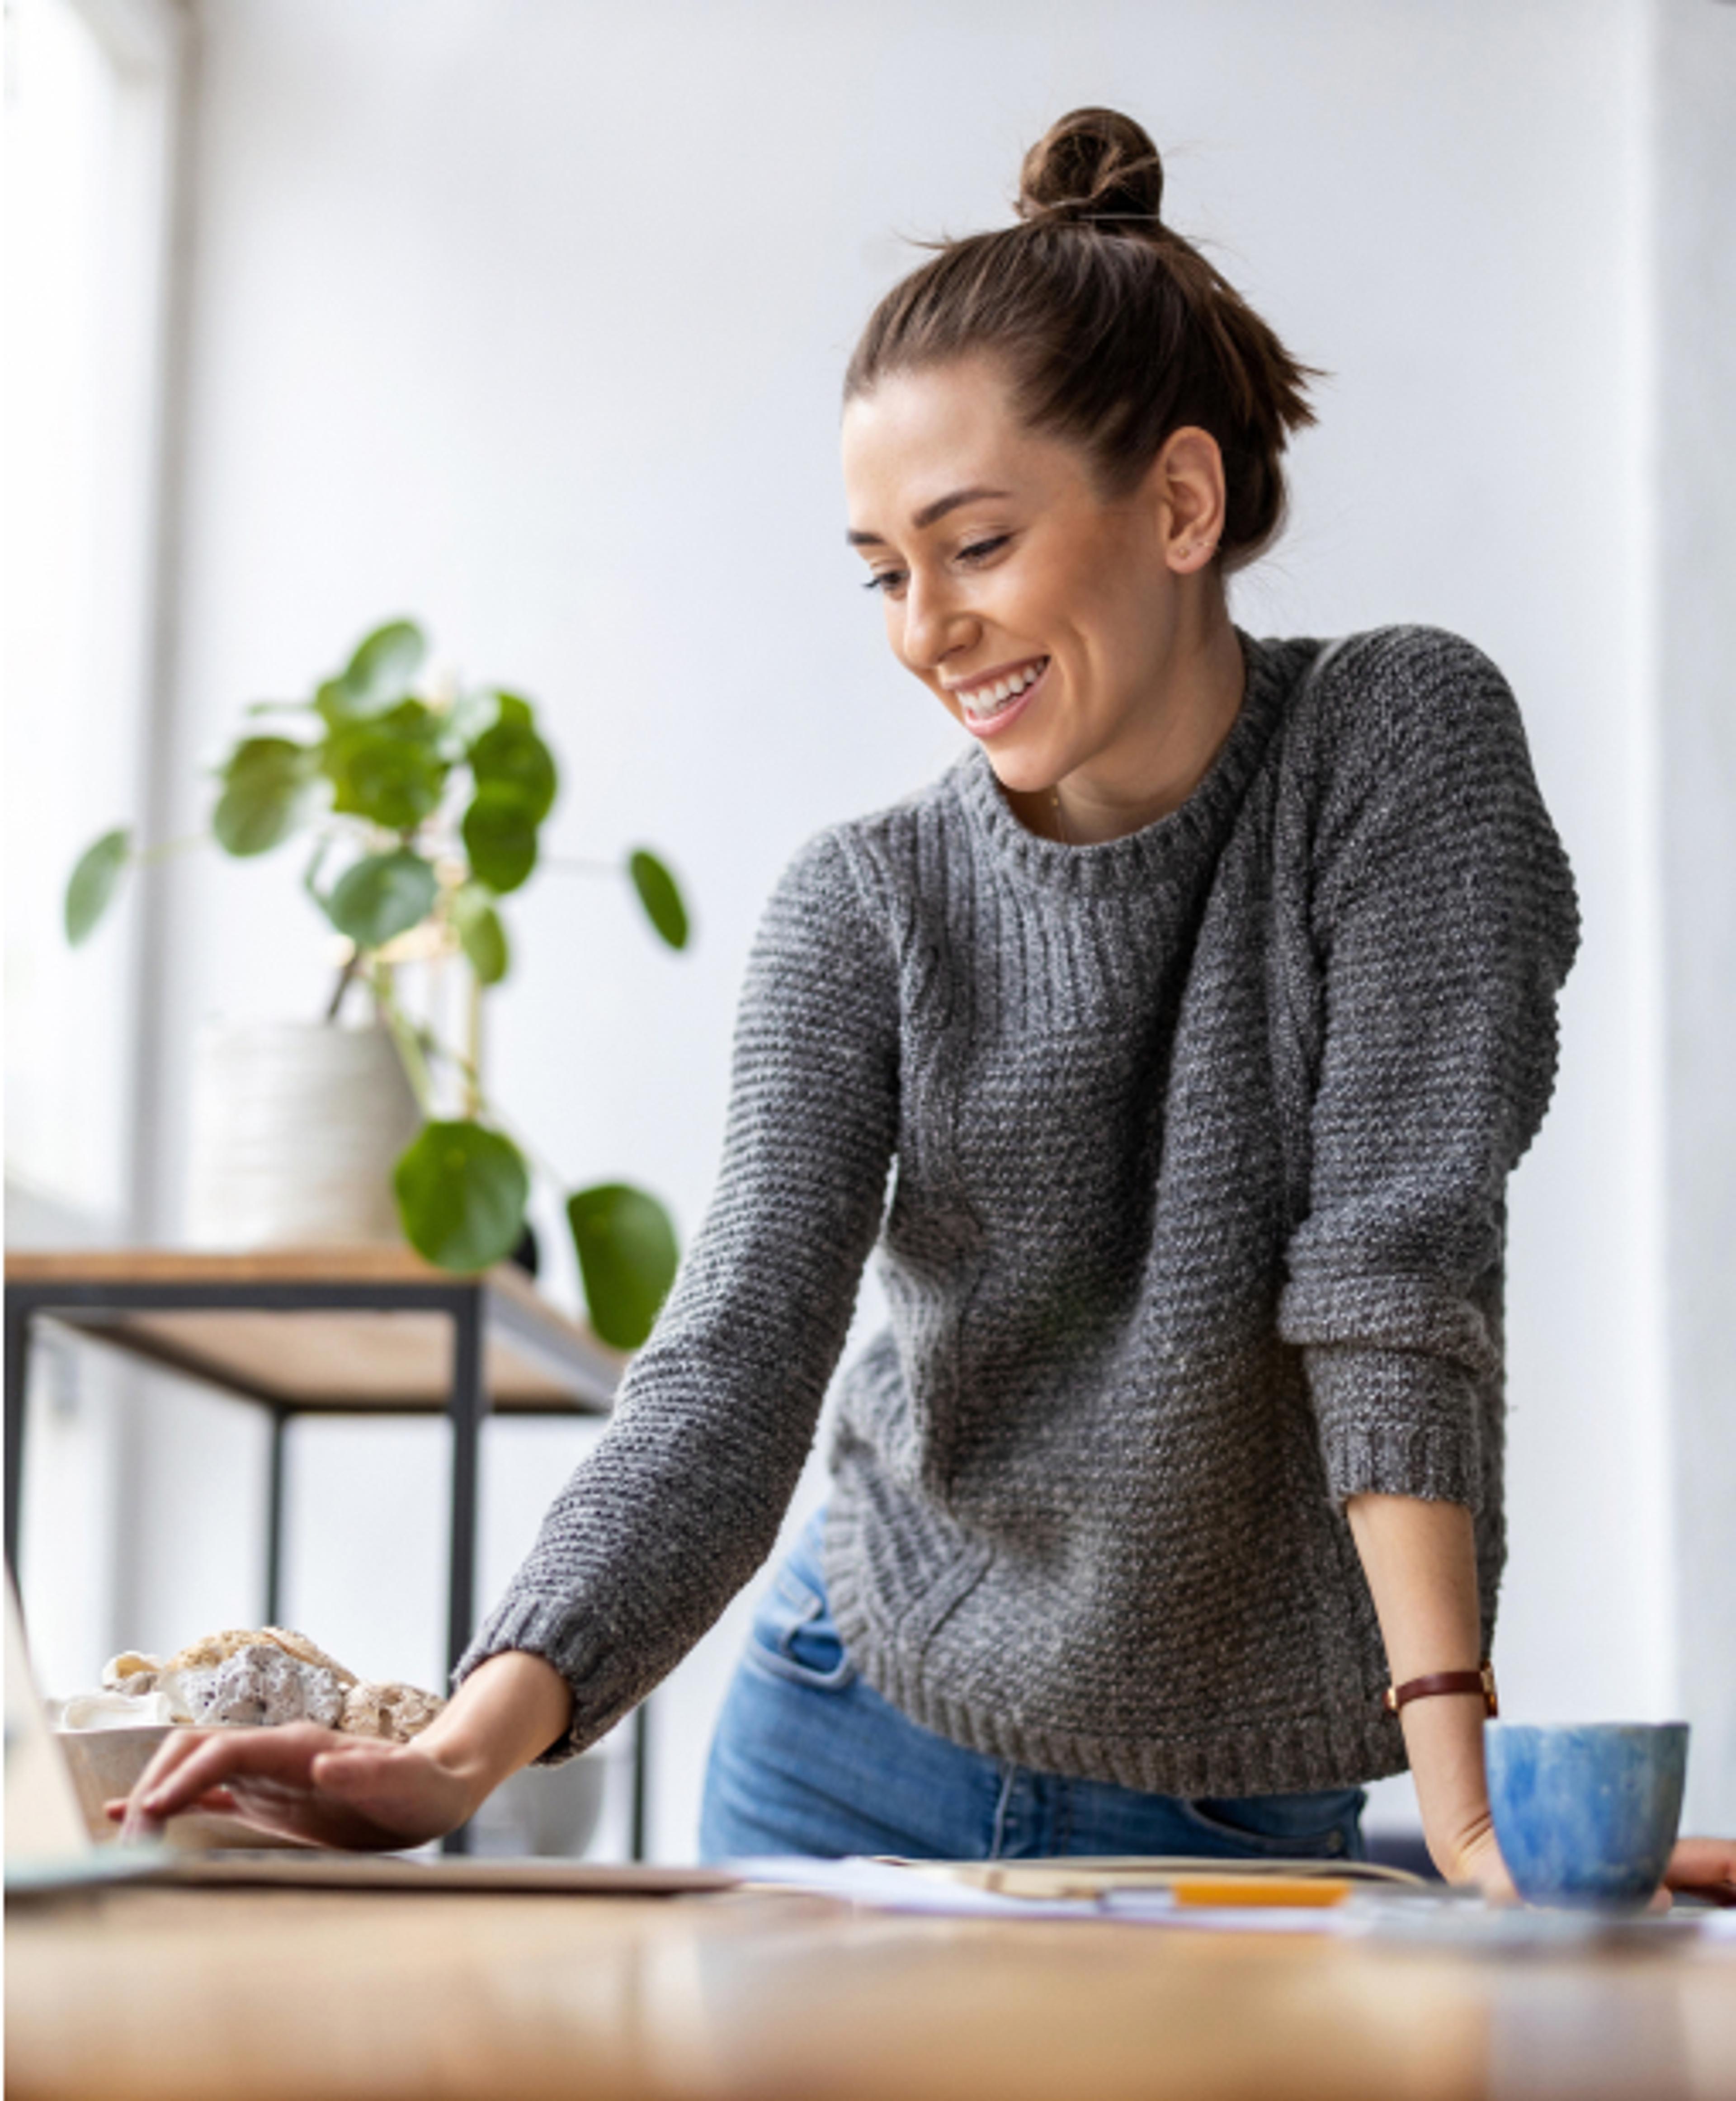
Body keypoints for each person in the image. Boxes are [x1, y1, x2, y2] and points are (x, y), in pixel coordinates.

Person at [120, 109, 1734, 1902]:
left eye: (975, 545)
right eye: (887, 571)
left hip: (1233, 1797)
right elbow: (731, 1364)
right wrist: (452, 1754)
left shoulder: (1395, 752)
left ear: (1180, 503)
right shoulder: (864, 906)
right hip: (848, 1739)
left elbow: (1393, 1271)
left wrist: (1470, 1819)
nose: (925, 632)